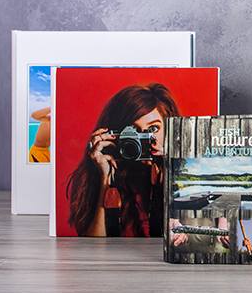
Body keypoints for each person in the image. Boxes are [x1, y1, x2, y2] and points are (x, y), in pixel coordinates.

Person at [66, 83, 179, 237]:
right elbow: (94, 247)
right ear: (116, 136)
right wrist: (105, 180)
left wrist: (171, 173)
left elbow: (185, 238)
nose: (141, 139)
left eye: (153, 129)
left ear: (169, 129)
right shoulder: (95, 178)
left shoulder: (183, 170)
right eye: (134, 131)